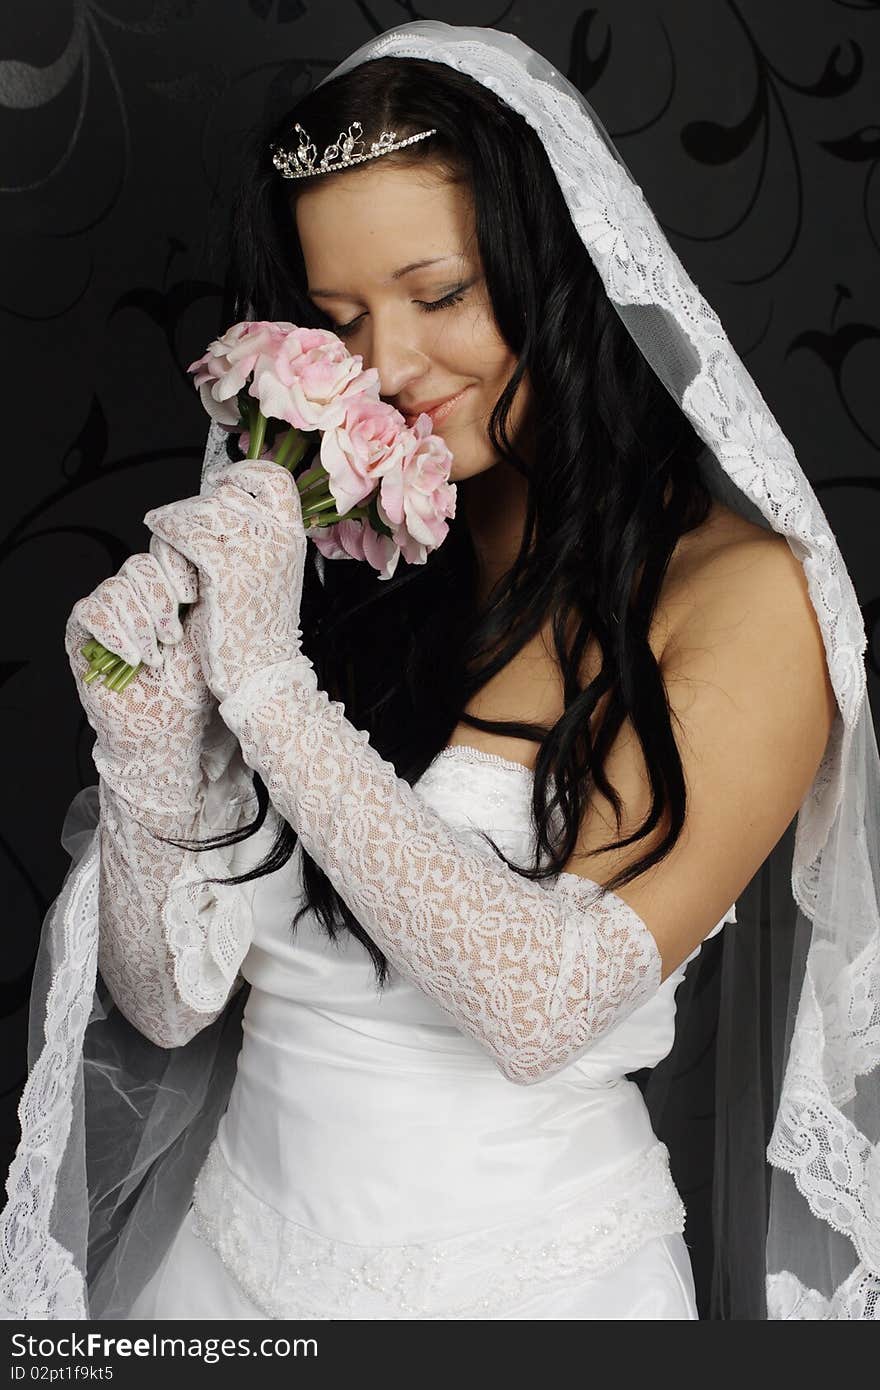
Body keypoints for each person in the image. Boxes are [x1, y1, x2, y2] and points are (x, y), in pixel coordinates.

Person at [2, 22, 877, 1322]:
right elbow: (172, 998)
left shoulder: (742, 599)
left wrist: (263, 683)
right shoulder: (333, 555)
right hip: (229, 1265)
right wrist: (147, 736)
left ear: (560, 272)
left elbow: (541, 1006)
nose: (387, 368)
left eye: (441, 292)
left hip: (540, 1287)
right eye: (337, 316)